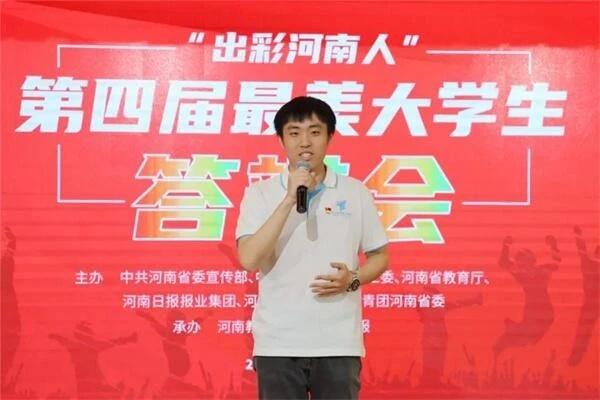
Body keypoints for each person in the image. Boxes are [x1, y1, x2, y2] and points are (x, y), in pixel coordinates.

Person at [235, 96, 389, 399]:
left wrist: (353, 279)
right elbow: (249, 259)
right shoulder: (260, 194)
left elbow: (380, 255)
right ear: (281, 139)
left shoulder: (354, 192)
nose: (305, 142)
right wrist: (289, 199)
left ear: (330, 136)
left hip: (338, 341)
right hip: (278, 343)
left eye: (315, 132)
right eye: (294, 133)